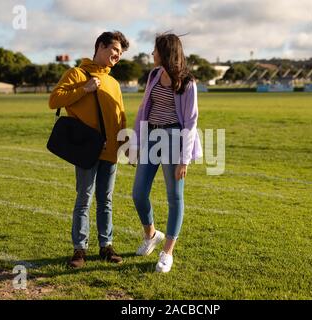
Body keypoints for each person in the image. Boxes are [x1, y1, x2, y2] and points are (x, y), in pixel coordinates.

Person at [49, 31, 129, 268]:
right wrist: (84, 89)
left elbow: (120, 117)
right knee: (84, 198)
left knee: (106, 200)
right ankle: (79, 251)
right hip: (87, 149)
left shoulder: (113, 82)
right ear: (101, 46)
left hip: (111, 151)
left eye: (121, 53)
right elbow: (54, 101)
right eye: (115, 50)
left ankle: (106, 246)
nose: (117, 56)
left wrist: (125, 147)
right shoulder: (77, 73)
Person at [131, 33, 202, 273]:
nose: (152, 54)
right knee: (139, 193)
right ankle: (151, 235)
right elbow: (143, 109)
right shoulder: (153, 75)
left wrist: (184, 159)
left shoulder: (188, 82)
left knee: (174, 198)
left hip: (174, 139)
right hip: (151, 136)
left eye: (155, 50)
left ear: (165, 52)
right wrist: (136, 143)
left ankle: (167, 252)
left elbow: (191, 122)